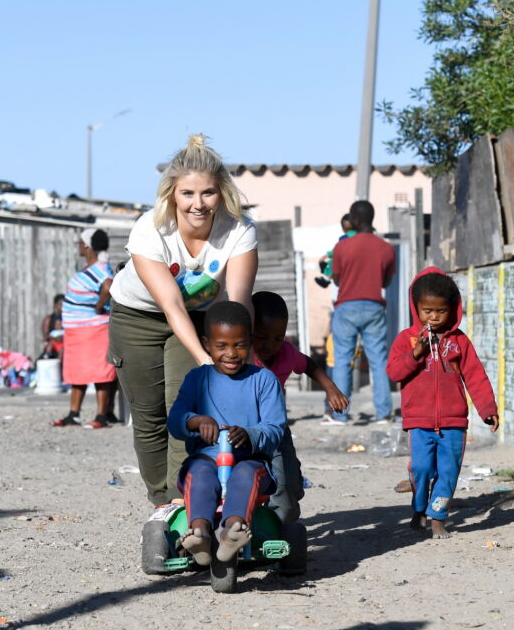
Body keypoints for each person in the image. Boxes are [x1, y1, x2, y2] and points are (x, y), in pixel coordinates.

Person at [108, 134, 258, 512]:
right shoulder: (149, 229)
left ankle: (185, 497)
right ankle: (162, 502)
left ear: (221, 192)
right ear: (172, 193)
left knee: (184, 406)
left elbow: (238, 302)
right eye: (188, 193)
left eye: (207, 193)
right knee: (149, 416)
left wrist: (235, 358)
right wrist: (206, 361)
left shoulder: (239, 229)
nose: (198, 204)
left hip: (200, 317)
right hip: (137, 317)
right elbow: (171, 304)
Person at [166, 301, 285, 565]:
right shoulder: (197, 378)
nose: (231, 353)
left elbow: (275, 428)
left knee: (246, 474)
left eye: (239, 345)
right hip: (206, 457)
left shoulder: (264, 380)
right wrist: (195, 421)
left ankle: (233, 530)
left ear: (250, 342)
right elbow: (174, 421)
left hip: (250, 459)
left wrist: (251, 434)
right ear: (207, 344)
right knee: (199, 473)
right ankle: (200, 533)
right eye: (222, 346)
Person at [387, 267, 499, 539]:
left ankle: (437, 519)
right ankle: (419, 507)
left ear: (453, 309)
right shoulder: (406, 339)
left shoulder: (459, 341)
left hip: (453, 422)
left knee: (448, 472)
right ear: (416, 309)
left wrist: (487, 409)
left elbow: (476, 376)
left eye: (441, 311)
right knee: (423, 468)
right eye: (427, 311)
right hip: (419, 421)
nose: (434, 317)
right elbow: (394, 372)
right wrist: (416, 353)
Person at [250, 291, 348, 523]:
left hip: (276, 428)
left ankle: (282, 527)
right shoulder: (242, 355)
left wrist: (330, 388)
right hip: (245, 428)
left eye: (277, 338)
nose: (270, 345)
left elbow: (310, 366)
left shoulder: (286, 353)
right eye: (262, 337)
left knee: (289, 484)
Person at [325, 200, 395, 426]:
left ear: (354, 219)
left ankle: (340, 415)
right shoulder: (385, 248)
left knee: (343, 361)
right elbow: (386, 280)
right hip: (374, 306)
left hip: (346, 306)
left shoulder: (342, 246)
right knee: (378, 361)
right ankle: (384, 414)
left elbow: (335, 277)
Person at [52, 229, 117, 428]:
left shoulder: (100, 268)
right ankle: (74, 413)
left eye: (81, 243)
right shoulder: (92, 268)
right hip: (79, 330)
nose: (78, 246)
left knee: (100, 372)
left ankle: (101, 416)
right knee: (77, 371)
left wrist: (98, 306)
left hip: (93, 329)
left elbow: (108, 285)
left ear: (87, 247)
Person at [314, 214, 355, 289]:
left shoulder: (344, 238)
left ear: (343, 229)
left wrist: (325, 256)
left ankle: (326, 278)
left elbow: (336, 251)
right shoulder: (362, 235)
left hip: (346, 263)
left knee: (332, 262)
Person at [40, 294, 65, 358]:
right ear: (55, 305)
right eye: (61, 304)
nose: (63, 306)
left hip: (65, 344)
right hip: (53, 343)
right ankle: (47, 357)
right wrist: (54, 338)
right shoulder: (49, 319)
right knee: (49, 347)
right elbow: (45, 337)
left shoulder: (68, 319)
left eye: (65, 304)